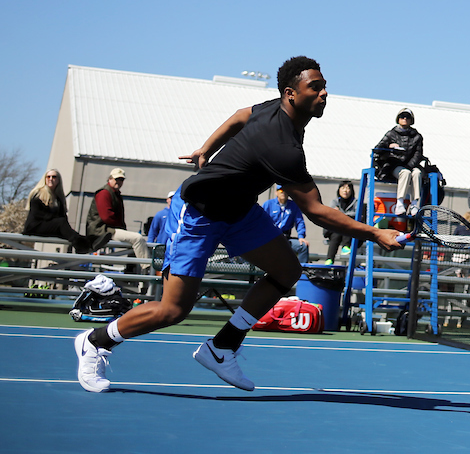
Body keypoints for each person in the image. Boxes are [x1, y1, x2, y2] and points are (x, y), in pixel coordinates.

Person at [73, 56, 405, 394]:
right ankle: (95, 341)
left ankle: (223, 347)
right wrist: (375, 232)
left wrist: (206, 148)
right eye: (315, 88)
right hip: (198, 213)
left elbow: (239, 116)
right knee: (173, 310)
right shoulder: (282, 148)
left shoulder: (272, 109)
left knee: (287, 271)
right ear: (291, 93)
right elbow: (316, 211)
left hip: (239, 212)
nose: (324, 94)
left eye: (325, 87)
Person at [22, 169, 107, 253]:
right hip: (35, 226)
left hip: (50, 227)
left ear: (58, 180)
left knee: (69, 232)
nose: (51, 179)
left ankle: (90, 240)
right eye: (48, 177)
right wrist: (57, 220)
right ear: (45, 179)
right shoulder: (38, 193)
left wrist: (66, 228)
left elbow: (63, 217)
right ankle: (82, 246)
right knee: (61, 224)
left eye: (54, 177)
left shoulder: (58, 198)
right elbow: (38, 213)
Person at [85, 168, 149, 265]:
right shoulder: (104, 193)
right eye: (116, 179)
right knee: (138, 238)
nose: (119, 182)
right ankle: (147, 269)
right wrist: (121, 227)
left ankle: (131, 270)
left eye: (121, 180)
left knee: (134, 243)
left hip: (108, 230)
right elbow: (106, 217)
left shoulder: (115, 193)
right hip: (101, 230)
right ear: (110, 179)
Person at [374, 109, 423, 213]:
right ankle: (400, 203)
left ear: (411, 120)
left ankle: (414, 204)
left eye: (407, 117)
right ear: (398, 119)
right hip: (394, 165)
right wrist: (389, 146)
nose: (405, 119)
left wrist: (409, 165)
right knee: (405, 173)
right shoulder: (391, 134)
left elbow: (418, 154)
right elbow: (378, 149)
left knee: (417, 173)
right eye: (402, 116)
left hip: (410, 166)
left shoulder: (417, 136)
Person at [265, 186, 309, 263]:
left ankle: (302, 272)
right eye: (281, 191)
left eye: (286, 190)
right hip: (270, 238)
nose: (284, 193)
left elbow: (299, 221)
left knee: (303, 246)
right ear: (276, 192)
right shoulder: (269, 204)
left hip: (285, 238)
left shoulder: (293, 206)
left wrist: (301, 236)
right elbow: (261, 221)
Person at [322, 180, 357, 263]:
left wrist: (340, 214)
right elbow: (331, 215)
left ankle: (331, 258)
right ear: (339, 190)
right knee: (336, 233)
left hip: (350, 230)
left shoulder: (356, 202)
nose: (345, 191)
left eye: (348, 188)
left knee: (346, 225)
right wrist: (346, 215)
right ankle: (330, 259)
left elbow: (356, 214)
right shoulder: (334, 202)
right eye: (343, 188)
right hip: (335, 229)